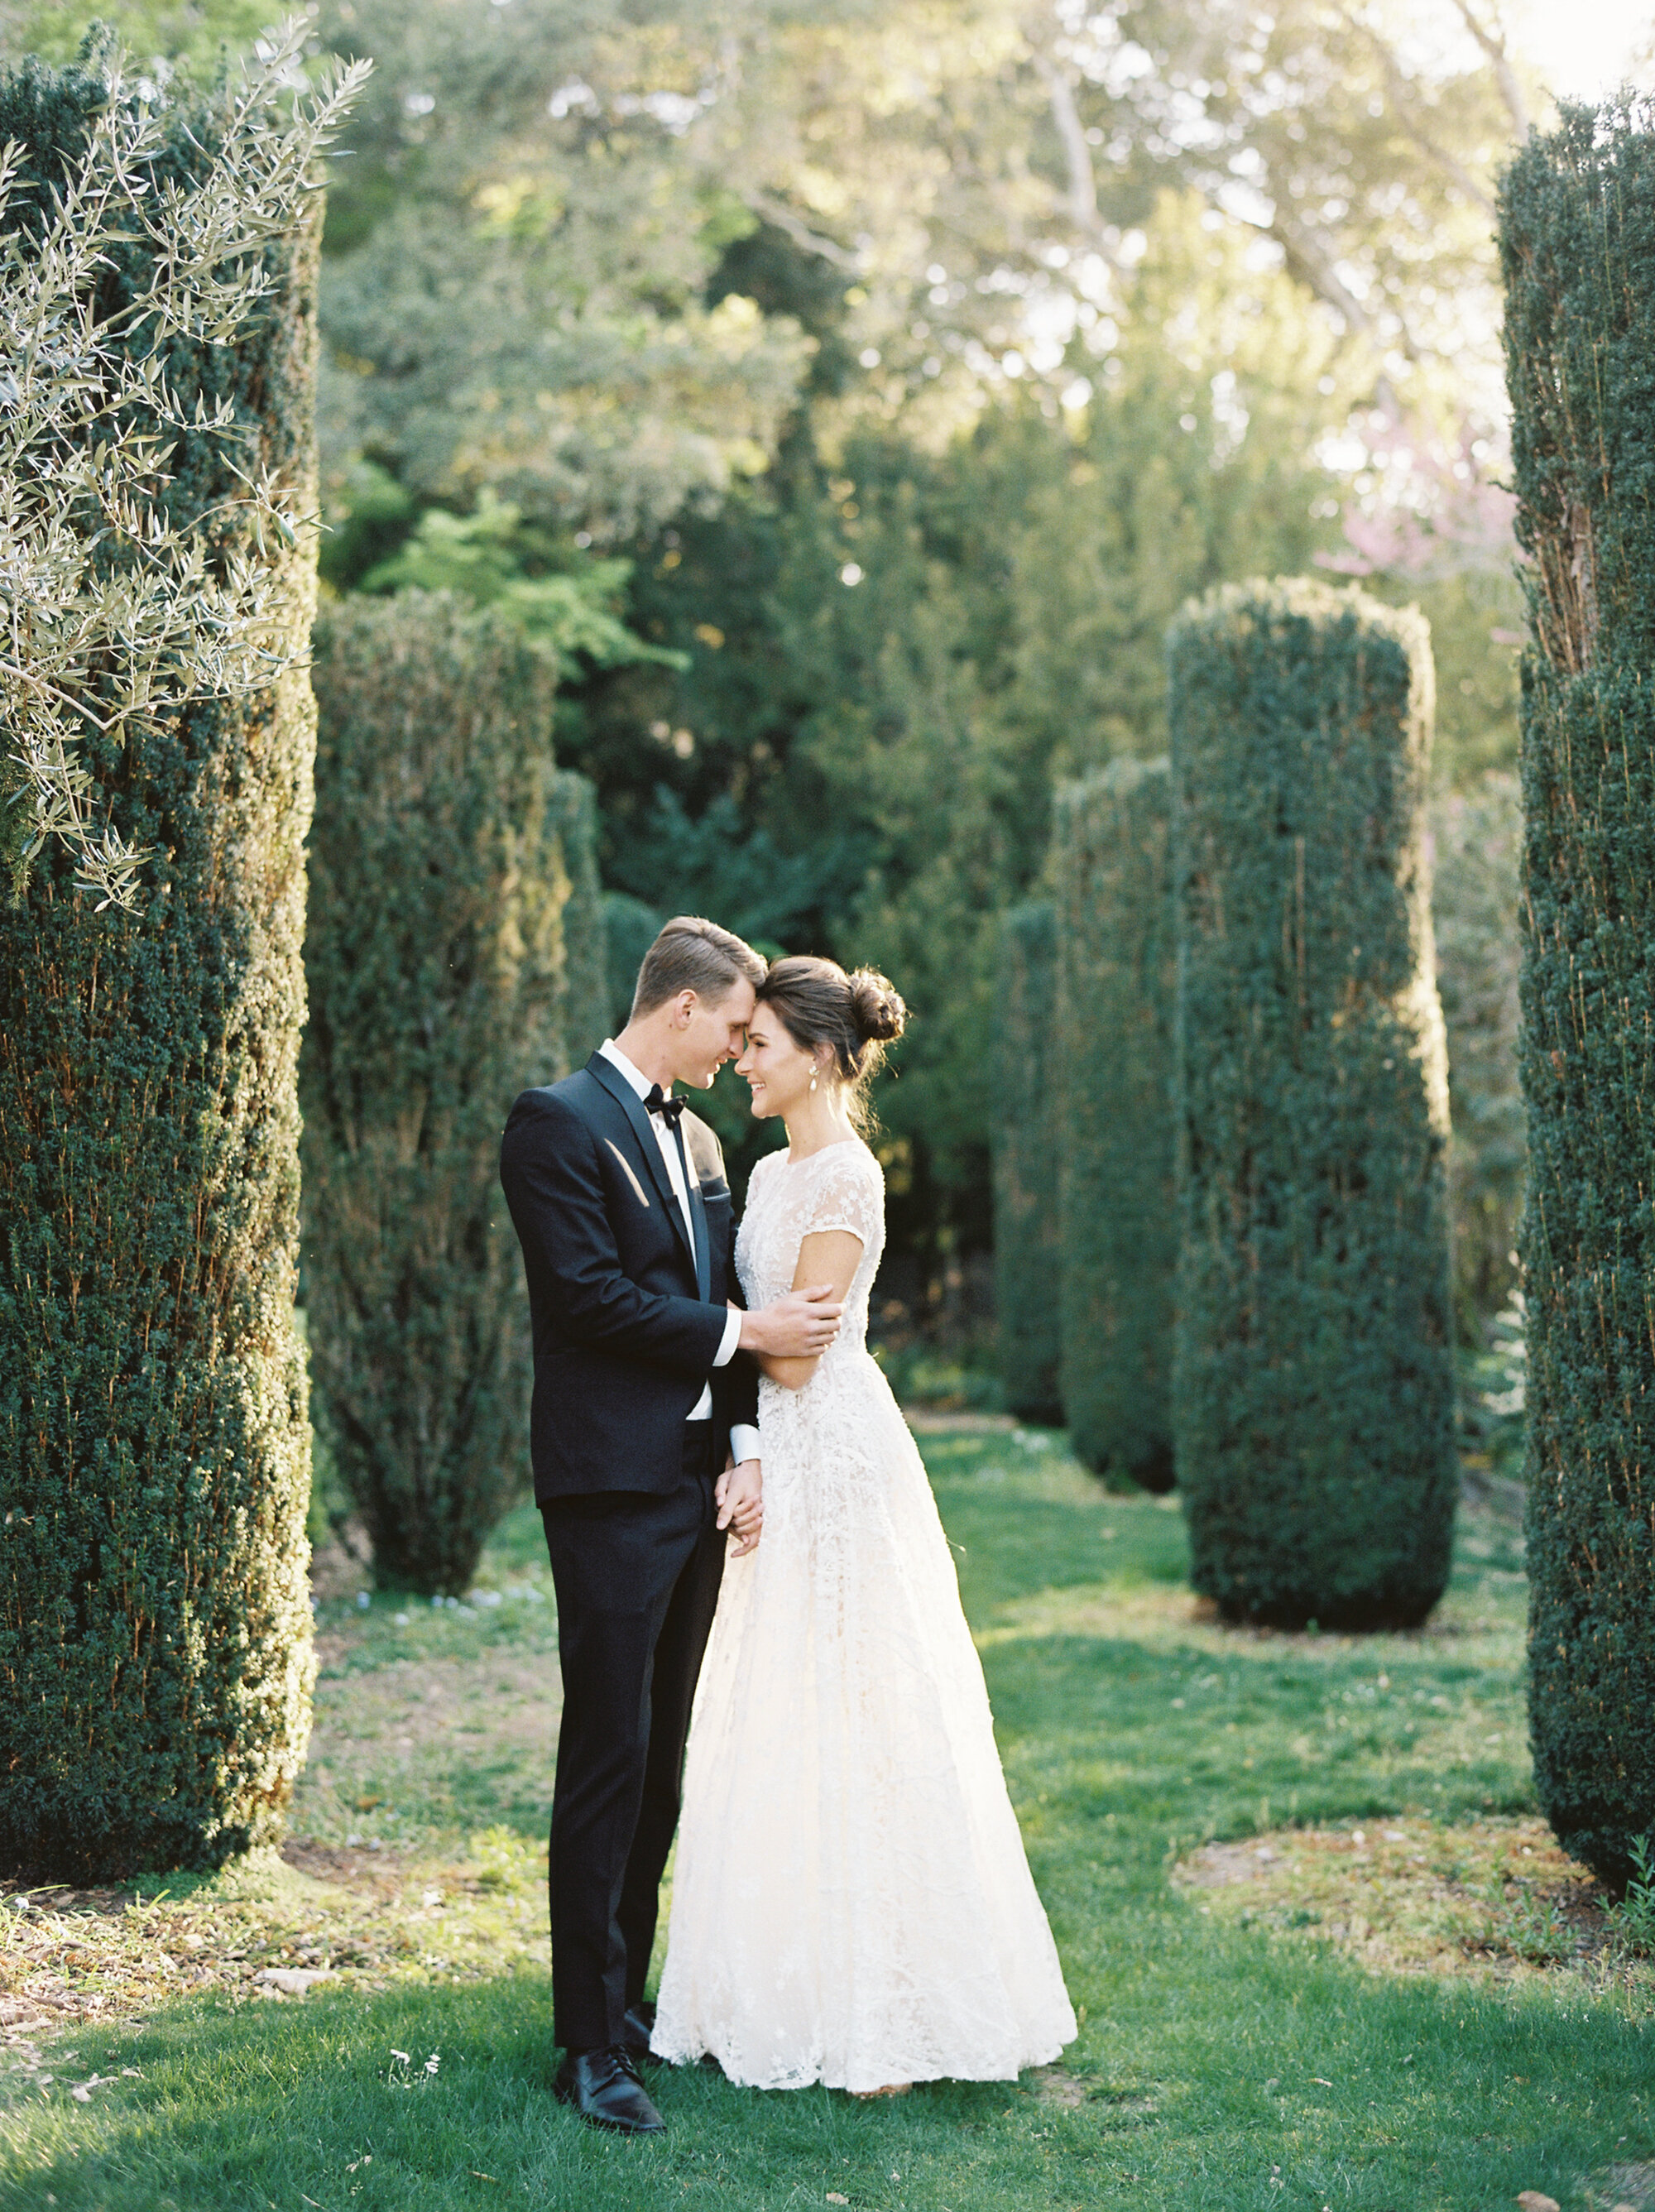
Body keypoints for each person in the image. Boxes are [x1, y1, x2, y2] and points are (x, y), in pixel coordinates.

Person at [651, 956, 1077, 2094]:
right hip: (771, 1456)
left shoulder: (846, 1178)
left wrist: (724, 1334)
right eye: (740, 1045)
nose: (744, 1059)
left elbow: (796, 1351)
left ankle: (885, 2006)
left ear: (826, 1055)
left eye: (763, 1045)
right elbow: (759, 1336)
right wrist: (737, 1438)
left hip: (834, 1453)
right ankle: (773, 1983)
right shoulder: (764, 1169)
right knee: (772, 1705)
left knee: (860, 1704)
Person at [498, 918, 846, 2137]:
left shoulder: (700, 1140)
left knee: (661, 1766)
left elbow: (726, 1295)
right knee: (606, 1752)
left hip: (699, 1486)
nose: (737, 1051)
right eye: (734, 1028)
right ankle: (583, 2043)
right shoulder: (554, 1122)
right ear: (685, 1007)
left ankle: (626, 1996)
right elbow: (592, 1300)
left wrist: (743, 1443)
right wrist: (749, 1336)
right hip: (606, 1488)